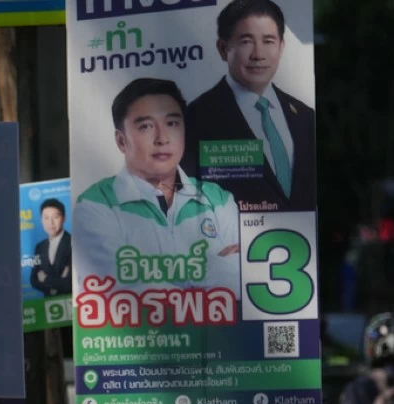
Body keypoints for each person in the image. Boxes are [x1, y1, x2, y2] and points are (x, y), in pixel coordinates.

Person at [74, 78, 242, 296]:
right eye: (146, 126)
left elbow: (243, 282)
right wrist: (210, 270)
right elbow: (117, 292)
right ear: (121, 141)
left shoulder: (217, 198)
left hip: (222, 331)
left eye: (172, 123)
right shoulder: (95, 204)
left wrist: (153, 278)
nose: (162, 139)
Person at [183, 0, 316, 212]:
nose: (258, 54)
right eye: (246, 41)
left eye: (268, 41)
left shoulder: (305, 116)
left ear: (282, 47)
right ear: (223, 48)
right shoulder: (195, 118)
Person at [30, 198, 72, 297]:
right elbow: (34, 280)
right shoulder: (39, 247)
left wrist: (45, 279)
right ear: (41, 220)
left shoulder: (73, 243)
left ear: (64, 218)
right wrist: (54, 286)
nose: (51, 223)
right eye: (46, 218)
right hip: (47, 304)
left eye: (55, 217)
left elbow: (71, 283)